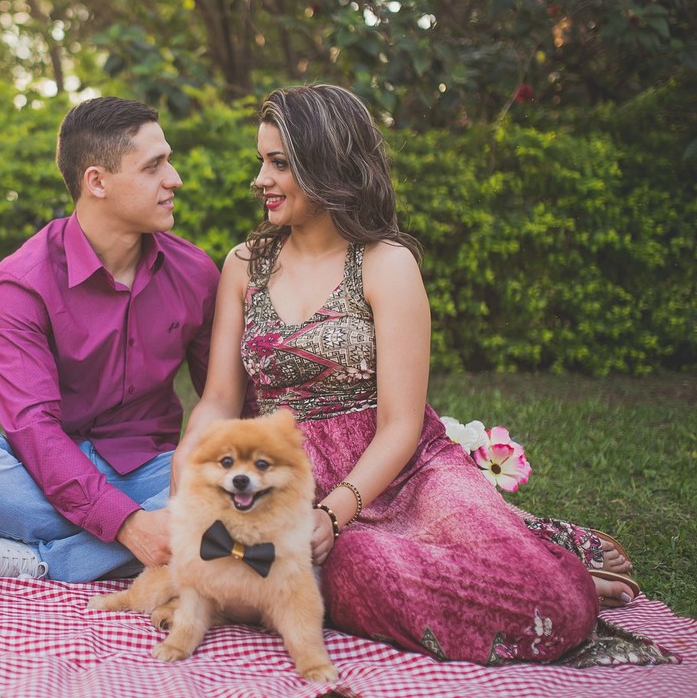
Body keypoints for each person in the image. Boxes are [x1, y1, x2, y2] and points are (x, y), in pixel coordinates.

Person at [175, 84, 636, 664]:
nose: (260, 179)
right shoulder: (245, 265)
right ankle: (507, 560)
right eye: (261, 161)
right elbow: (220, 397)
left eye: (279, 163)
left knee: (557, 606)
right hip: (288, 481)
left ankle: (536, 561)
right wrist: (186, 470)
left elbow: (400, 424)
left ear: (326, 165)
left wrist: (334, 513)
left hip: (402, 470)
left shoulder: (386, 264)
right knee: (355, 568)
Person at [0, 96, 224, 584]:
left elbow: (223, 400)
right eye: (153, 166)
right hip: (43, 471)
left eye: (168, 161)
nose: (175, 179)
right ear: (96, 182)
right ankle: (152, 545)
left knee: (231, 492)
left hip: (153, 471)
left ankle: (39, 561)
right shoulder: (20, 283)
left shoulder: (195, 272)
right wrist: (128, 524)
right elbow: (34, 428)